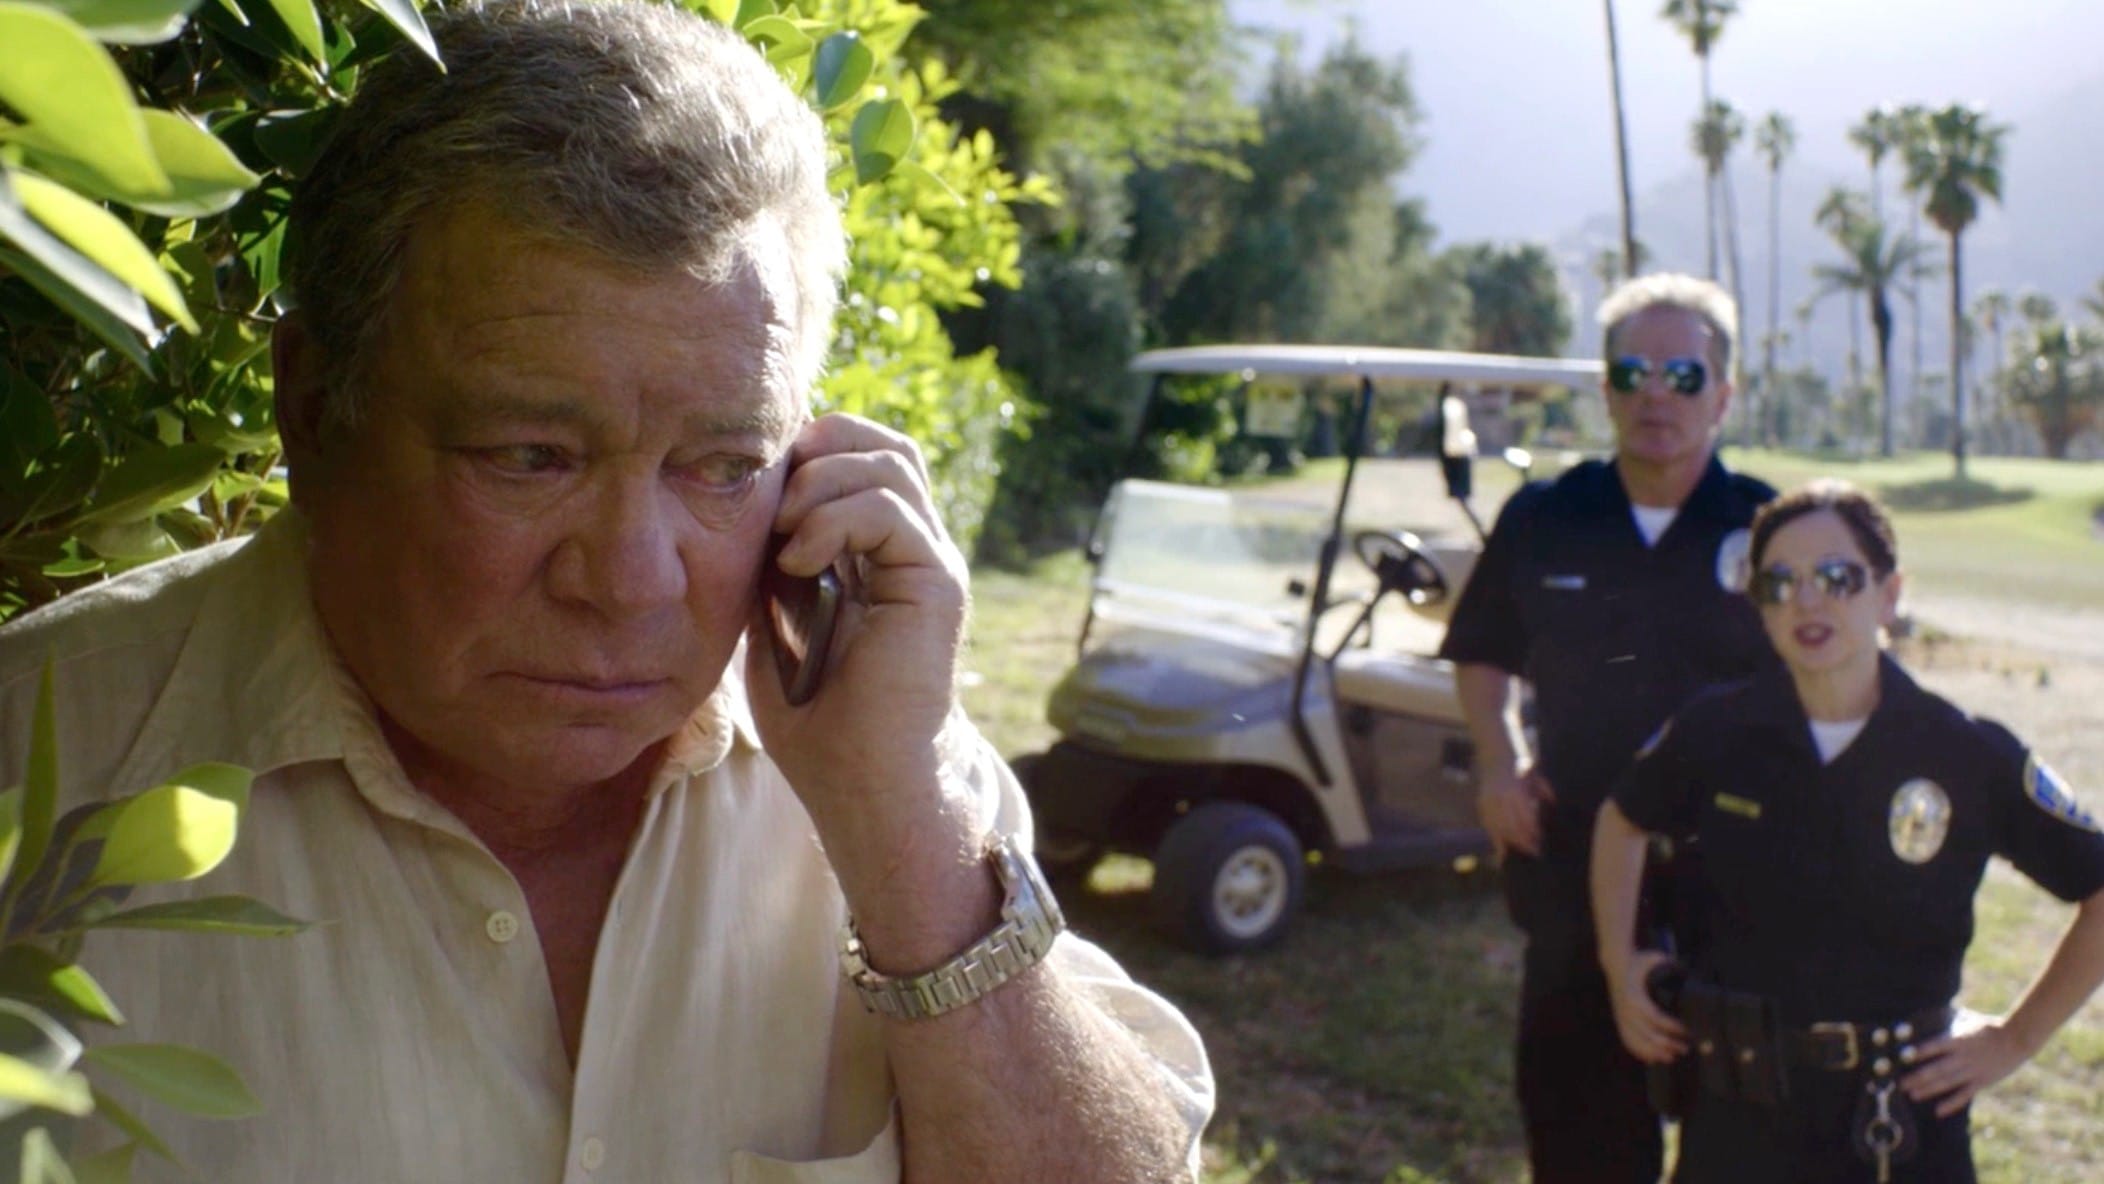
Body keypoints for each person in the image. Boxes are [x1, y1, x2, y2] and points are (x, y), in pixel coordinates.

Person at [0, 3, 1212, 1180]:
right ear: (314, 409)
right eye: (530, 455)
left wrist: (910, 840)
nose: (631, 581)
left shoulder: (883, 765)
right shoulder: (40, 754)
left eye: (724, 467)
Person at [1591, 481, 2104, 1182]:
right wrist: (1620, 968)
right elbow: (1621, 822)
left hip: (1895, 1122)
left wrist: (2017, 1038)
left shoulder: (1964, 751)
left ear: (1889, 595)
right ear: (1761, 609)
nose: (1808, 600)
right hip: (1736, 1117)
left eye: (1837, 577)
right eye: (1780, 582)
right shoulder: (1717, 731)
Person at [1437, 273, 1779, 1181]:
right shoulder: (1547, 516)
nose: (1655, 393)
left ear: (1725, 396)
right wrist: (1500, 764)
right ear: (1604, 391)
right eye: (1631, 372)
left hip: (1737, 880)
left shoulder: (1771, 527)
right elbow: (1481, 650)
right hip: (1573, 862)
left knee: (1736, 1140)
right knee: (1581, 1135)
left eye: (1683, 373)